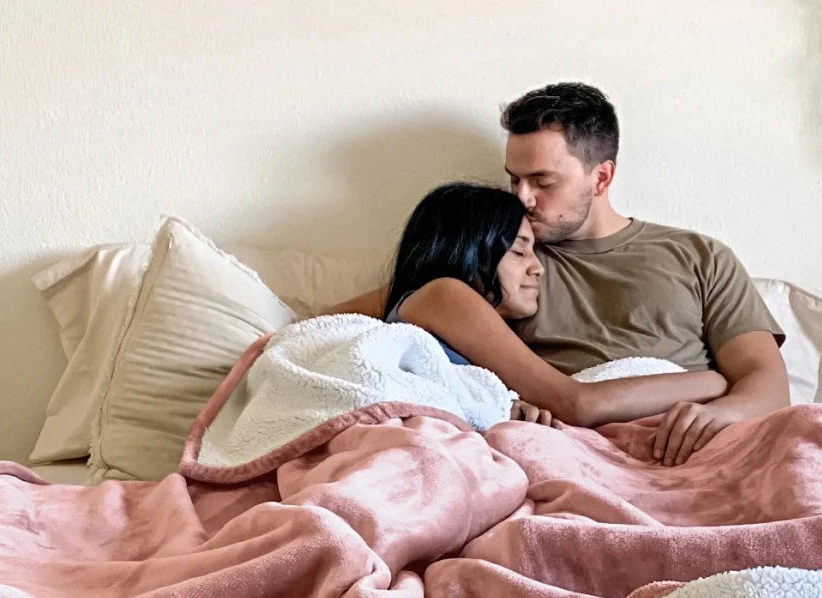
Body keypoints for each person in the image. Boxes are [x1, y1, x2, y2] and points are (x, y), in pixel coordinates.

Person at [332, 82, 789, 465]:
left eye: (543, 182)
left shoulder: (699, 256)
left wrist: (726, 409)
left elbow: (766, 382)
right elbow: (347, 323)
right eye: (514, 180)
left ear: (601, 178)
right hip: (569, 447)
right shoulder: (495, 260)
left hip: (687, 440)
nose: (524, 198)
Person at [378, 181, 728, 427]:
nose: (538, 266)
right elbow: (577, 404)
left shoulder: (435, 306)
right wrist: (713, 383)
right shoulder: (445, 294)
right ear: (470, 252)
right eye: (519, 250)